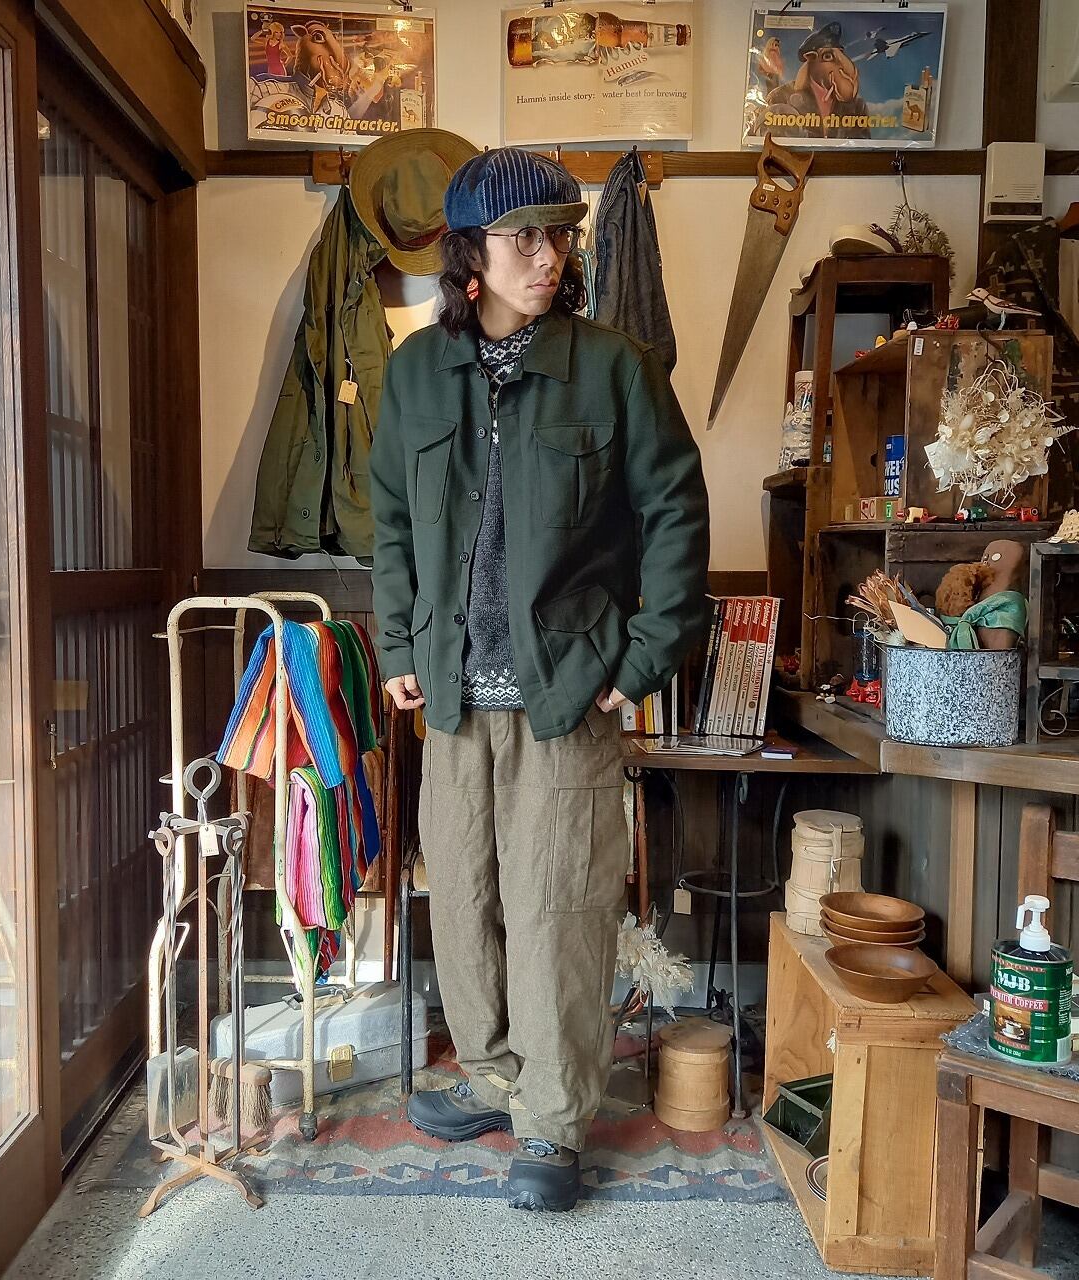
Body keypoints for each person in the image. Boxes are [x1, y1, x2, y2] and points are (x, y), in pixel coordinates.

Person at [369, 148, 709, 1212]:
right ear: (468, 253)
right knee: (464, 901)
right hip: (450, 693)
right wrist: (397, 644)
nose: (549, 256)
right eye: (524, 237)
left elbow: (675, 514)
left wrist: (643, 655)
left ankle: (553, 1123)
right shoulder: (416, 374)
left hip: (567, 692)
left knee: (559, 906)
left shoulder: (614, 368)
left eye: (560, 234)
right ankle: (492, 1077)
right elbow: (390, 519)